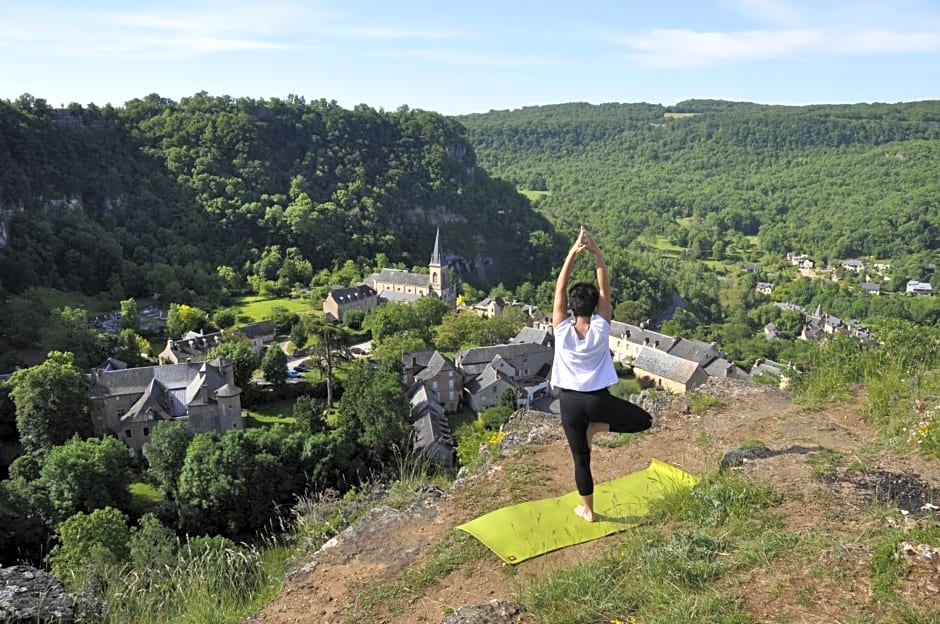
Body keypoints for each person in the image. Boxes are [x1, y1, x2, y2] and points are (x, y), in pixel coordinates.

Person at [550, 226, 652, 522]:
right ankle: (597, 428)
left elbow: (559, 288)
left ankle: (588, 510)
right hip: (598, 401)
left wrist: (571, 253)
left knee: (581, 459)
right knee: (644, 421)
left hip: (569, 403)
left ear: (571, 307)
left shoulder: (561, 330)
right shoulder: (601, 327)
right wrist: (597, 255)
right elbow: (604, 288)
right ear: (595, 307)